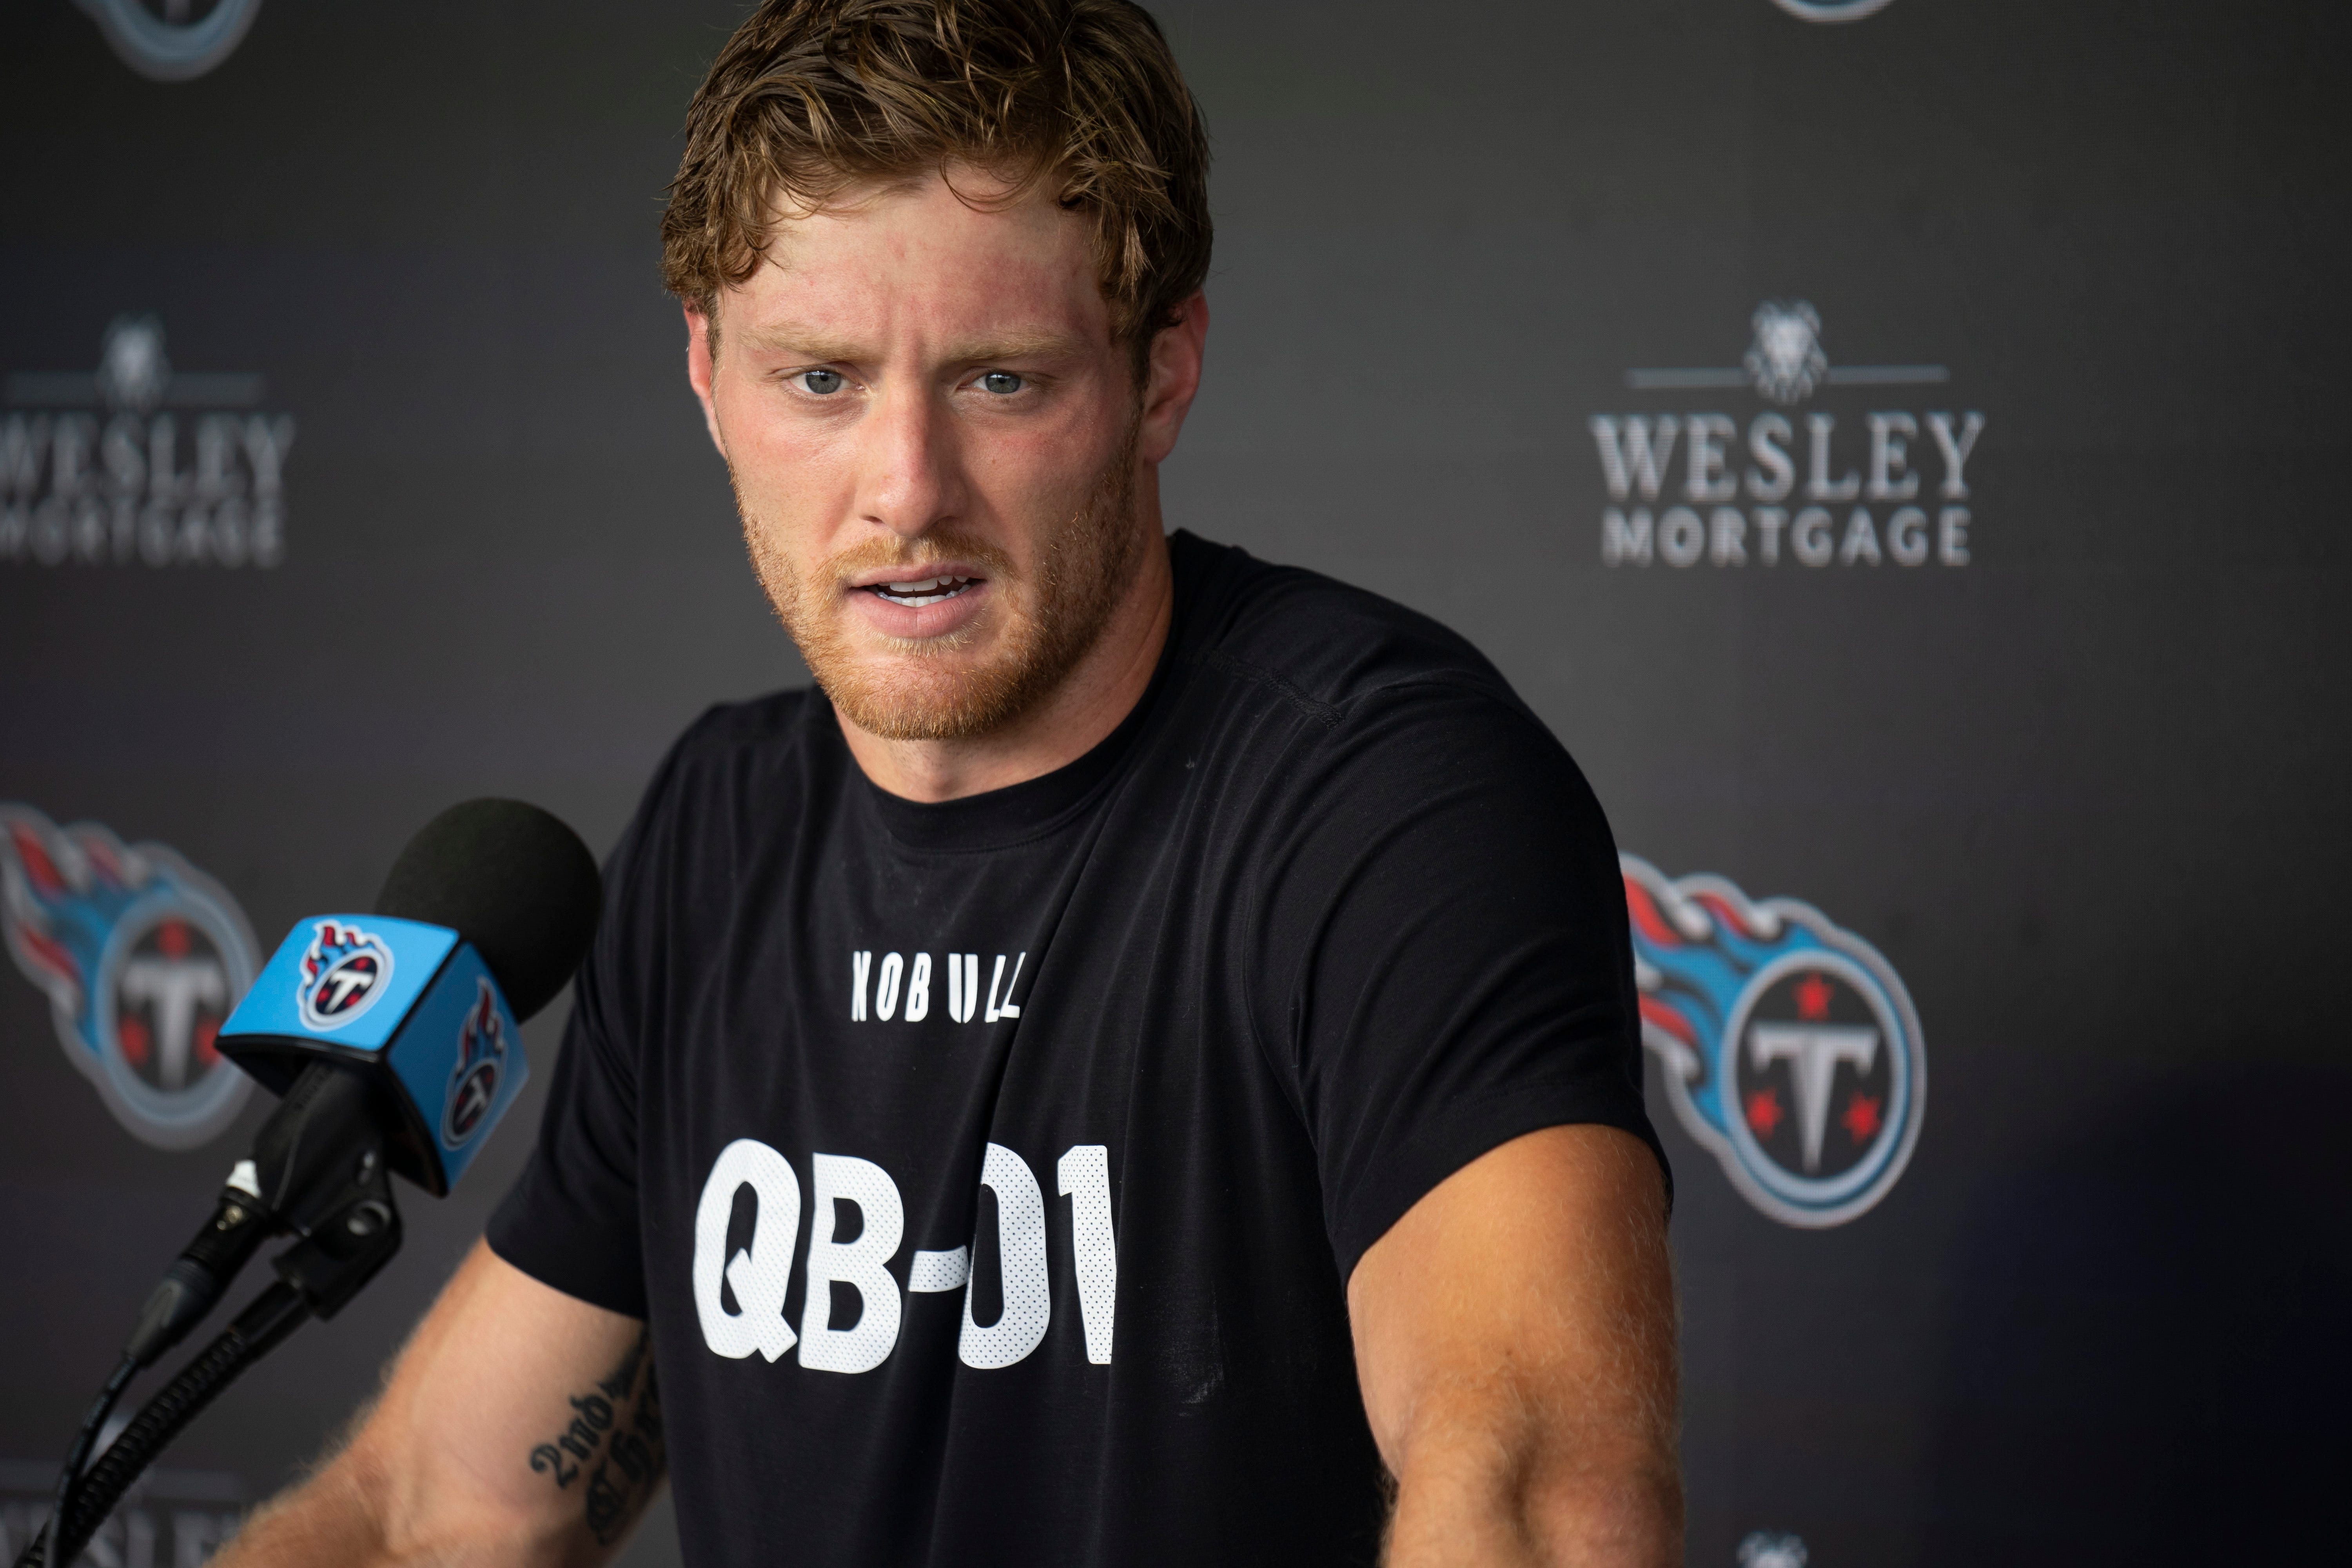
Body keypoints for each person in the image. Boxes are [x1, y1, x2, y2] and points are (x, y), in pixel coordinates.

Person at [215, 1, 1680, 1563]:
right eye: (822, 380)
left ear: (1162, 371)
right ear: (708, 378)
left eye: (999, 381)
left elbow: (1541, 1500)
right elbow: (431, 1516)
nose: (904, 489)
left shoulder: (1389, 801)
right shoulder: (723, 828)